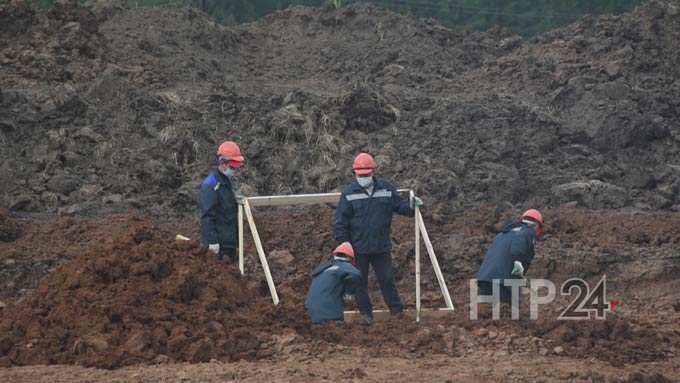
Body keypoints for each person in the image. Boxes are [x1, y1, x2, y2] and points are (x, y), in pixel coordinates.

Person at [334, 152, 423, 325]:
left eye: (366, 175)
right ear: (355, 173)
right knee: (359, 283)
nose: (363, 177)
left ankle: (398, 315)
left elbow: (401, 207)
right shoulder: (349, 194)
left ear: (373, 172)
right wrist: (343, 242)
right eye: (360, 175)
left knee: (387, 280)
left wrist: (413, 206)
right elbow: (340, 221)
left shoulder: (386, 190)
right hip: (358, 249)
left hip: (381, 247)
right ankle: (366, 317)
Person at [475, 209, 544, 304]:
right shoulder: (528, 232)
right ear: (537, 226)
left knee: (486, 314)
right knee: (510, 311)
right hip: (503, 282)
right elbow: (517, 248)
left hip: (485, 279)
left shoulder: (503, 234)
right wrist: (518, 263)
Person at [199, 141, 244, 263]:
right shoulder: (211, 184)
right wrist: (212, 241)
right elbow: (207, 215)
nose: (235, 171)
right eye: (232, 167)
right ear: (223, 163)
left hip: (229, 243)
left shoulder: (226, 181)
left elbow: (227, 210)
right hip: (219, 246)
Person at [305, 242, 362, 325]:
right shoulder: (344, 267)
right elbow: (355, 275)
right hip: (329, 317)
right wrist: (349, 293)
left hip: (309, 316)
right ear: (350, 258)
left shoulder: (322, 269)